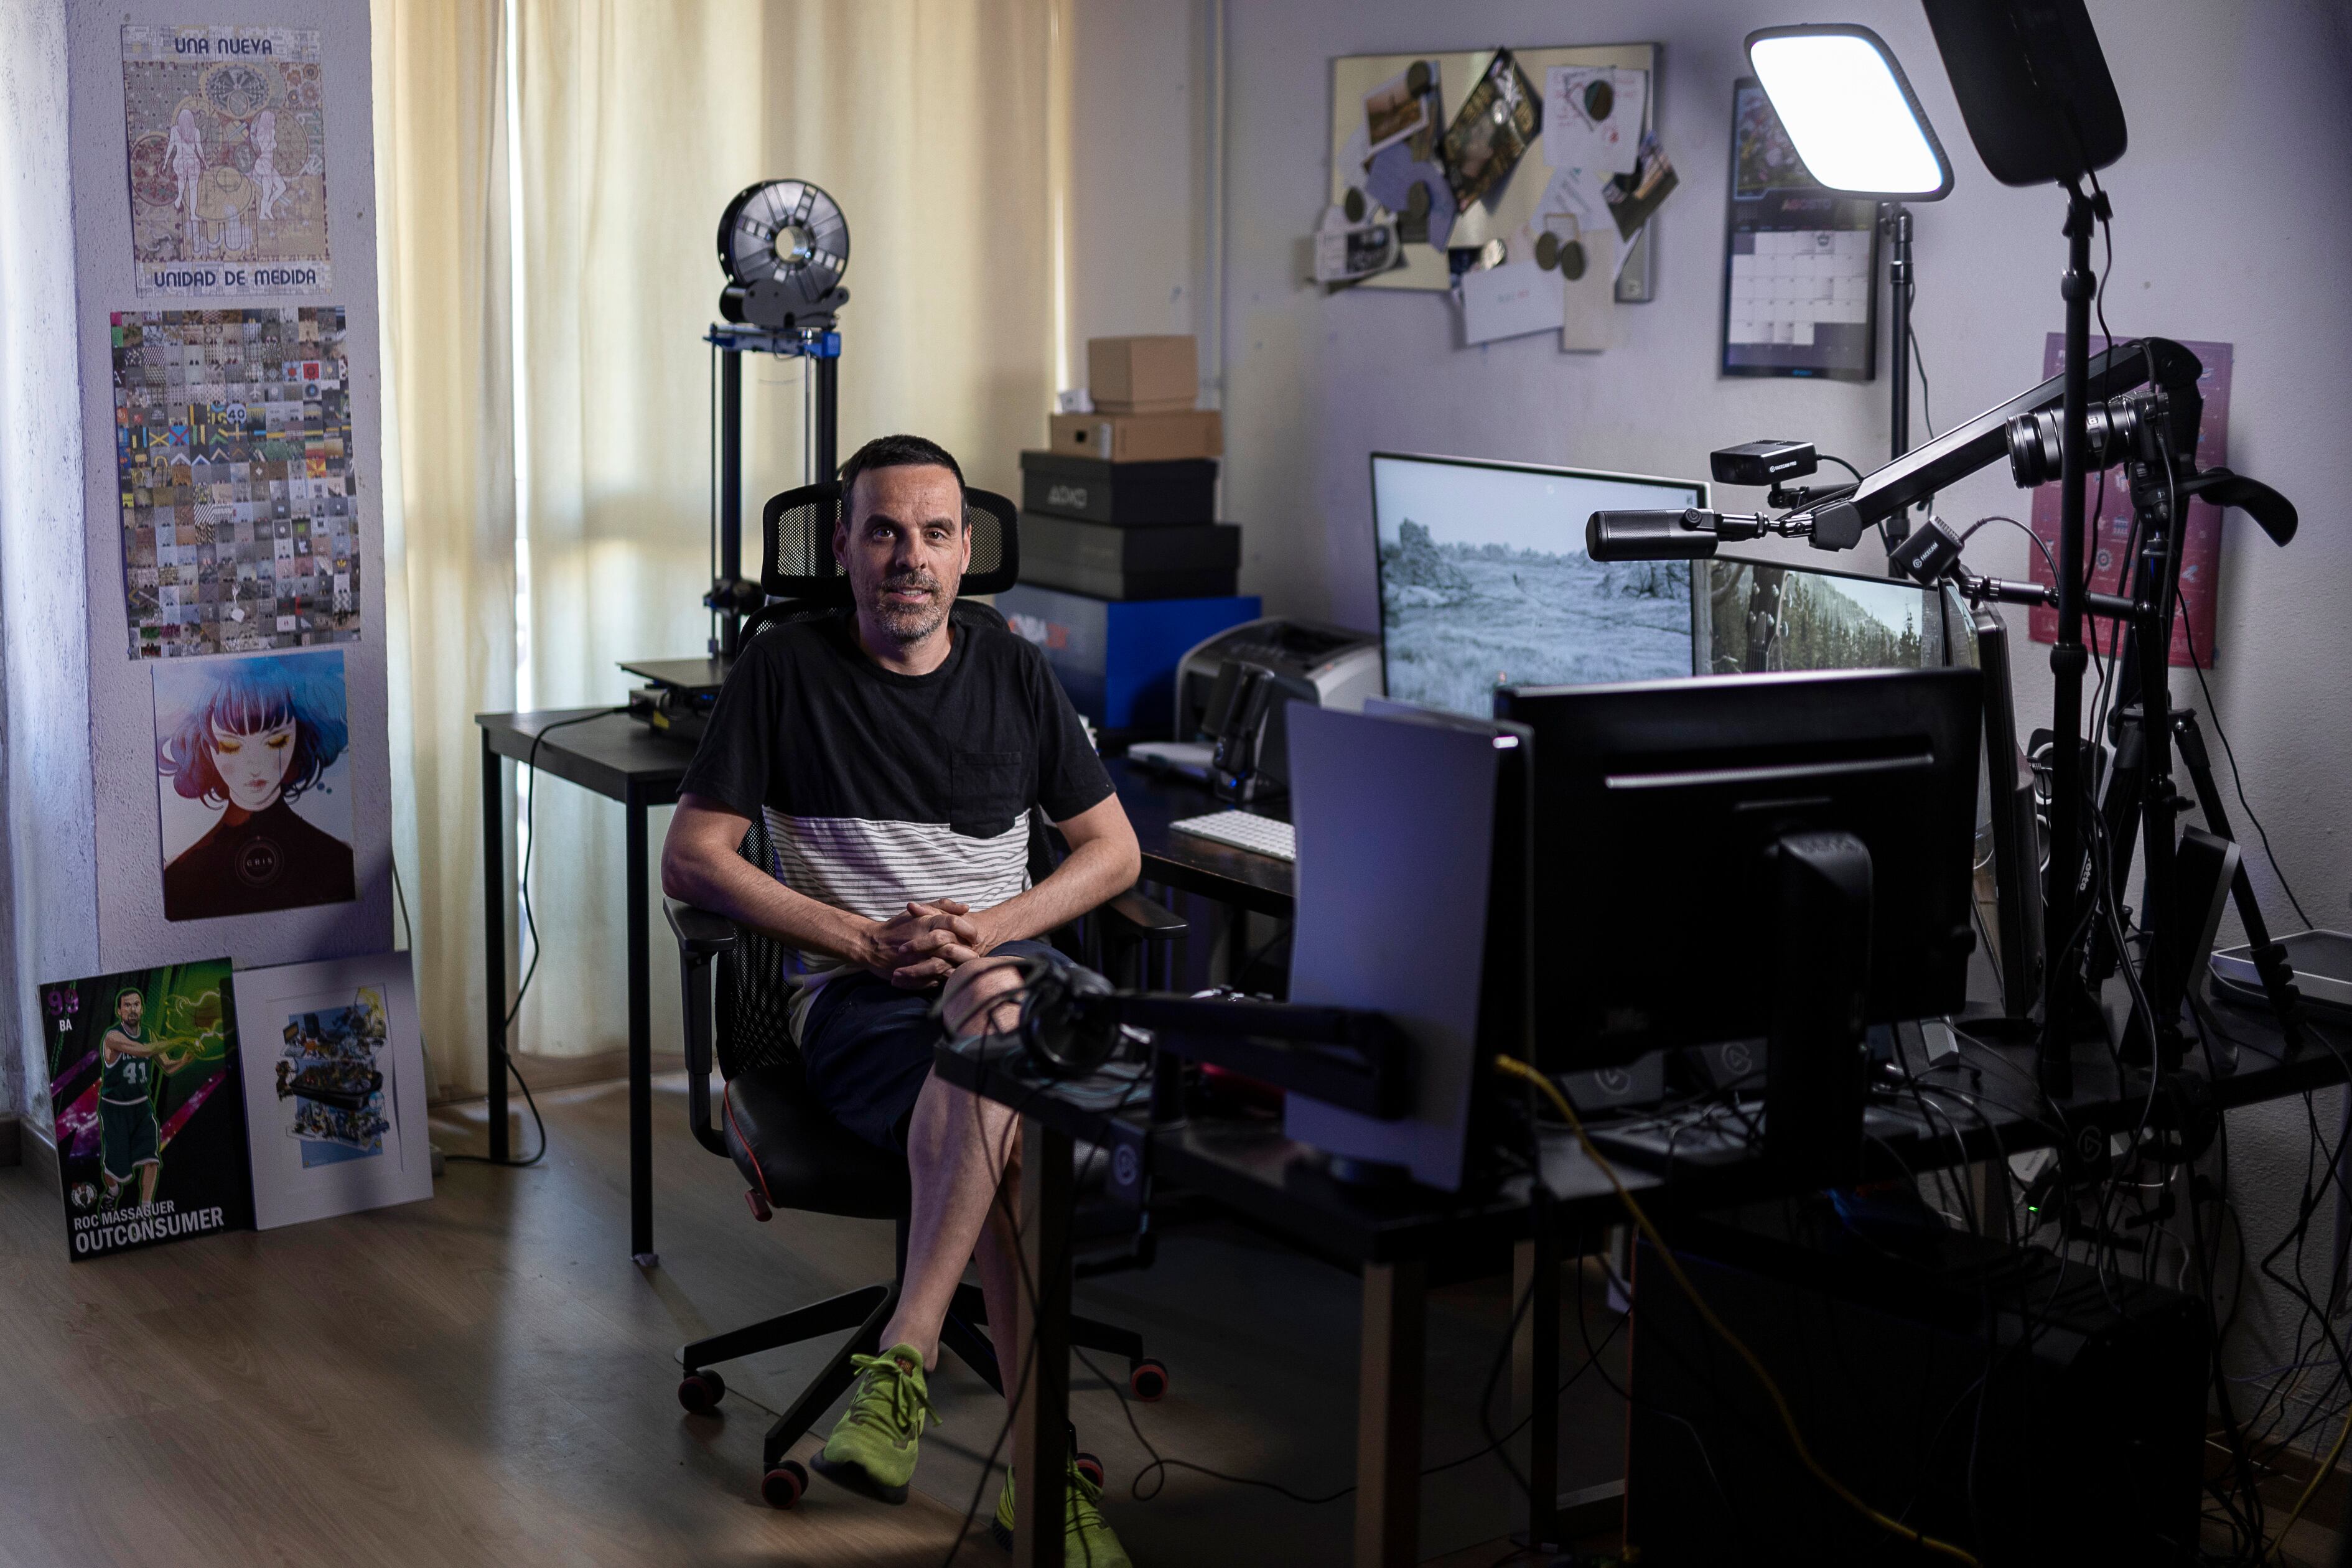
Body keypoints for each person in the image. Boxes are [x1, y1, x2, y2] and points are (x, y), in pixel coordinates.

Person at [661, 434, 1141, 1564]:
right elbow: (691, 859)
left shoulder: (1016, 670)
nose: (908, 558)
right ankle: (1040, 1476)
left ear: (967, 551)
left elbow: (1112, 853)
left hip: (1007, 973)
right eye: (883, 531)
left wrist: (991, 928)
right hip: (862, 1005)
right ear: (843, 547)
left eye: (933, 534)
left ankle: (908, 1354)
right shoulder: (784, 670)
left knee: (1000, 1014)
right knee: (1013, 1099)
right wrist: (866, 943)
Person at [156, 654, 355, 921]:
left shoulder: (339, 863)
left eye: (275, 743)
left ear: (299, 737)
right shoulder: (179, 880)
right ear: (206, 748)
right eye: (231, 746)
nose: (254, 767)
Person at [97, 988, 188, 1210]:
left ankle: (146, 1210)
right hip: (115, 1109)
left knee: (151, 1158)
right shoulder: (113, 1036)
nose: (132, 1009)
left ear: (142, 1009)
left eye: (136, 1004)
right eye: (127, 1005)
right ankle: (113, 1190)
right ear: (119, 1011)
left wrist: (188, 1056)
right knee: (114, 1169)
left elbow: (167, 1066)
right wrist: (181, 1039)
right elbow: (145, 1051)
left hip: (141, 1107)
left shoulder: (149, 1035)